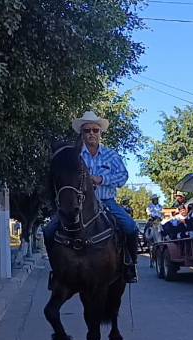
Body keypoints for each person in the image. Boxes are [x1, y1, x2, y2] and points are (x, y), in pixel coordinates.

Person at [44, 111, 139, 283]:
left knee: (131, 227)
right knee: (49, 231)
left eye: (95, 130)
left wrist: (101, 179)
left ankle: (129, 266)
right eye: (87, 130)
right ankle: (56, 271)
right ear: (82, 134)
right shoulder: (74, 156)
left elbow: (123, 176)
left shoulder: (111, 155)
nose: (91, 134)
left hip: (107, 202)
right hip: (79, 204)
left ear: (100, 133)